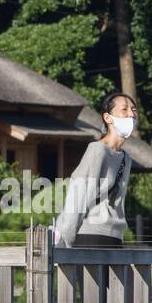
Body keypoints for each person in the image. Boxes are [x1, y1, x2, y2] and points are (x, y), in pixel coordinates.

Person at [53, 92, 136, 247]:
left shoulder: (126, 158)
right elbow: (79, 194)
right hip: (91, 234)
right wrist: (67, 237)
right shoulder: (97, 150)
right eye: (124, 110)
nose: (131, 114)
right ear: (108, 118)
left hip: (113, 237)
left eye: (134, 110)